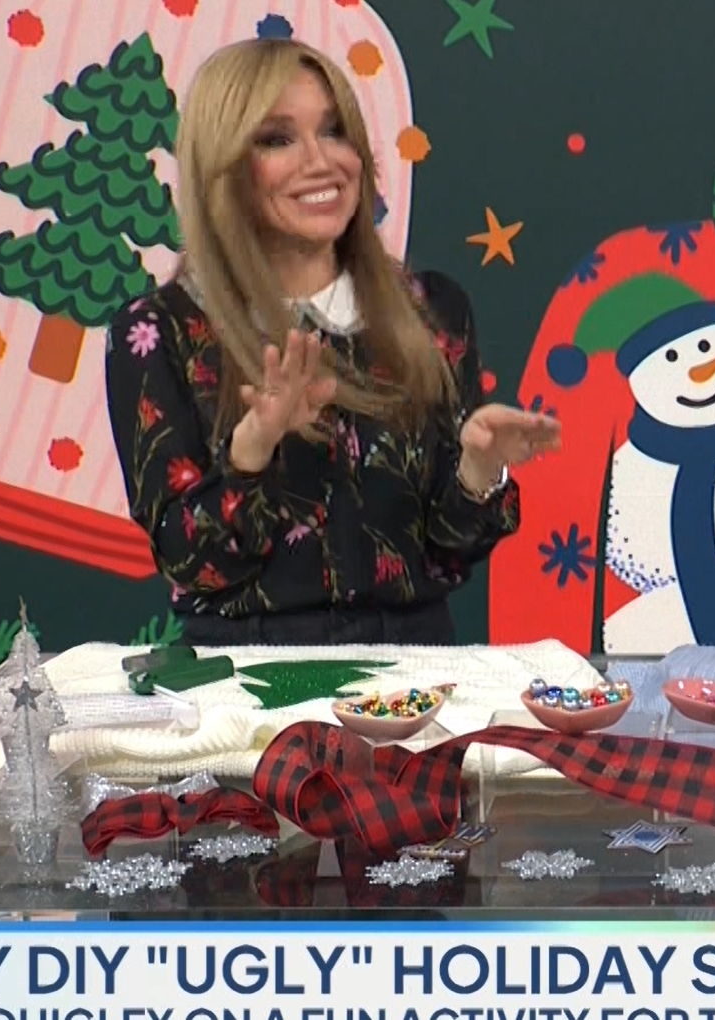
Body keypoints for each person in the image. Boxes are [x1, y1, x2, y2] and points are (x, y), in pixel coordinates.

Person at [106, 38, 559, 646]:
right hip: (246, 683)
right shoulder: (159, 333)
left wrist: (479, 469)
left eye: (335, 130)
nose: (321, 162)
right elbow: (192, 564)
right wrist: (254, 448)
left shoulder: (432, 313)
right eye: (277, 139)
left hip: (415, 677)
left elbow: (447, 551)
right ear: (225, 165)